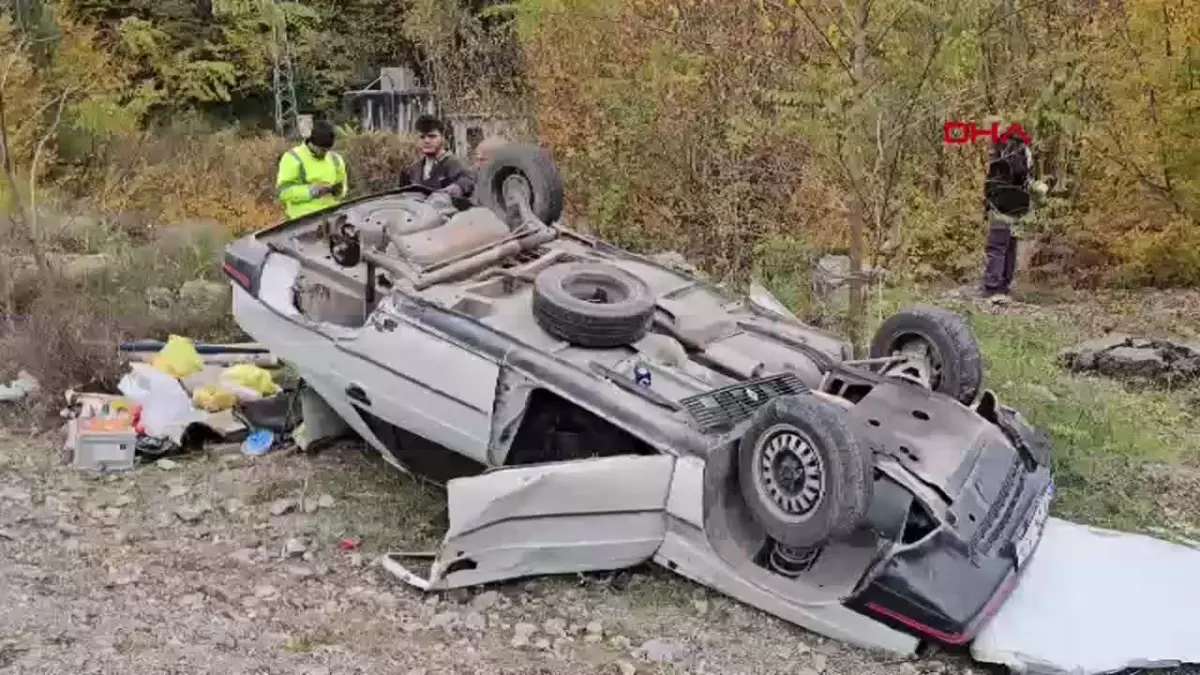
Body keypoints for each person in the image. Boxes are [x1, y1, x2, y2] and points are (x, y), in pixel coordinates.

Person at [977, 117, 1048, 301]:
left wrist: (990, 199)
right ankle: (1004, 286)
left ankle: (993, 288)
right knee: (1009, 245)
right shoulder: (1023, 148)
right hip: (1020, 203)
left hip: (1002, 203)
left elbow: (997, 180)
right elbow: (1029, 176)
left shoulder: (1002, 148)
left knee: (996, 246)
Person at [276, 120, 348, 220]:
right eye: (322, 150)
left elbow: (343, 189)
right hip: (304, 222)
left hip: (331, 219)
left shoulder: (336, 159)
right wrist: (313, 191)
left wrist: (337, 191)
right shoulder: (292, 158)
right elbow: (283, 192)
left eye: (328, 150)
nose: (325, 153)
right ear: (312, 143)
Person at [401, 115, 475, 198]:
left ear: (443, 138)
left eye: (432, 136)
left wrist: (457, 188)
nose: (427, 141)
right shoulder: (412, 171)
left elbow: (470, 181)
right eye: (422, 137)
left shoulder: (456, 164)